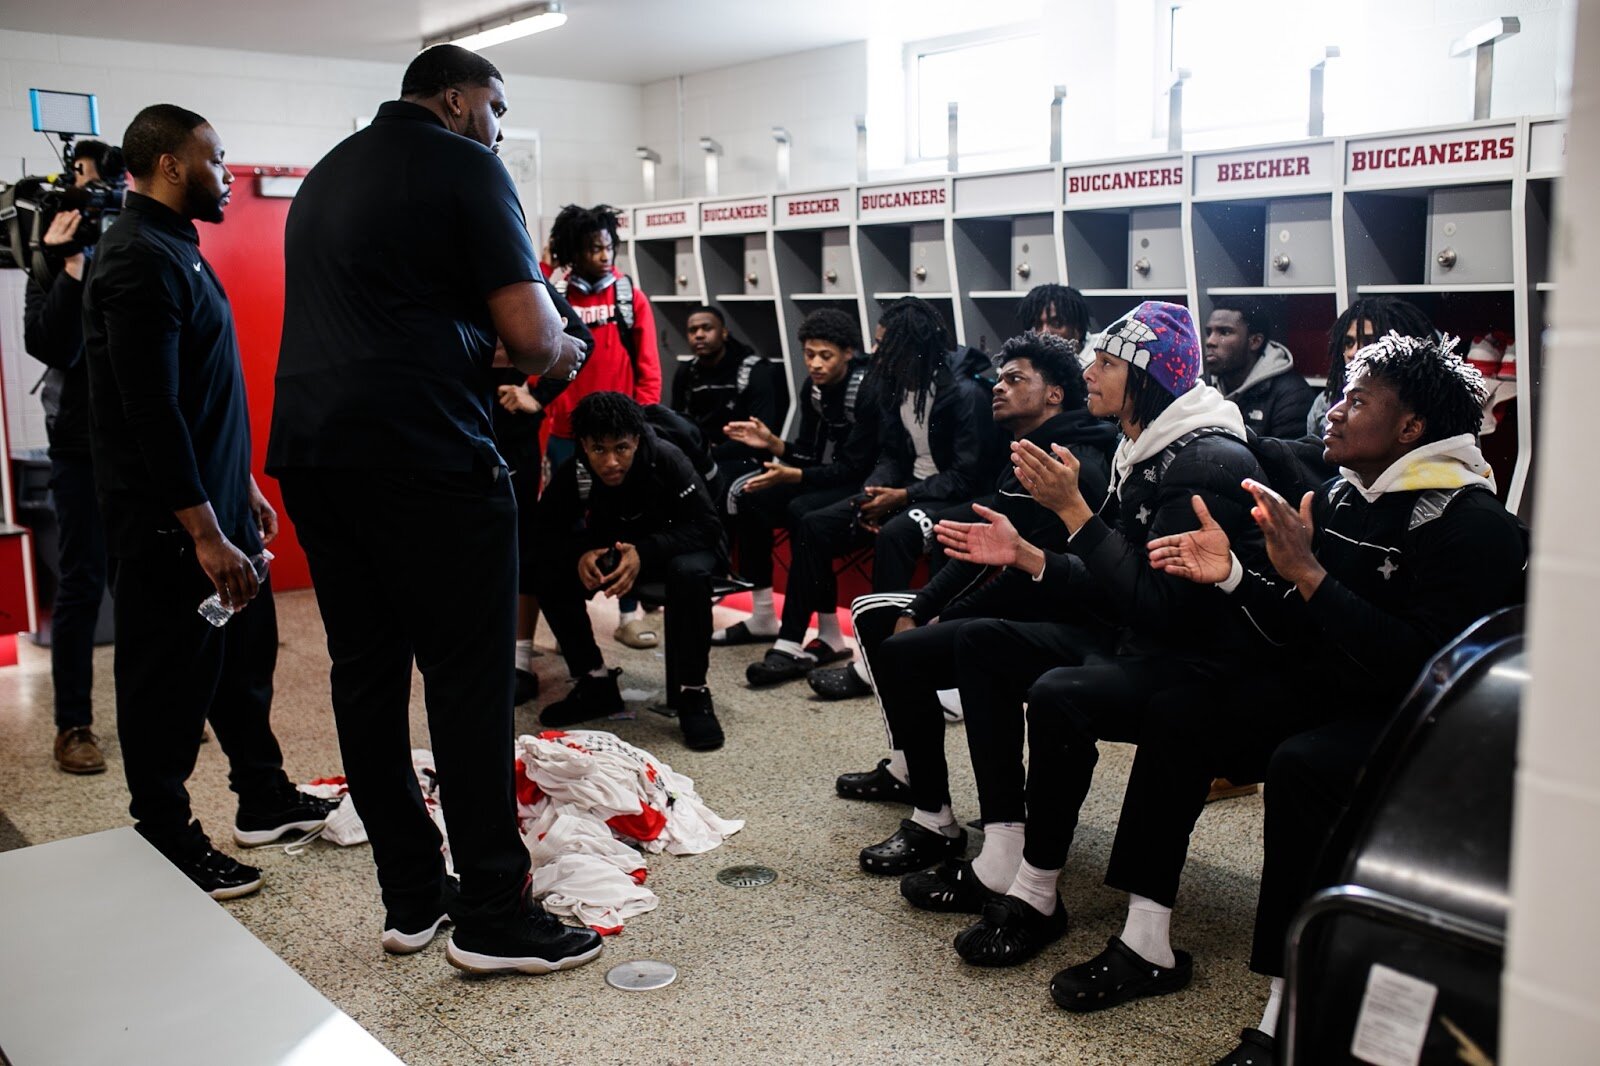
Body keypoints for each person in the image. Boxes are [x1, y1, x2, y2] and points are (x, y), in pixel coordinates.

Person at [1065, 333, 1526, 1066]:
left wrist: (1310, 574)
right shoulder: (1348, 493)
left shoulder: (1472, 525)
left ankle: (1289, 1011)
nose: (1335, 412)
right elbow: (1300, 621)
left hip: (1413, 724)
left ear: (1410, 430)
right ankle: (1145, 942)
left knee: (1301, 766)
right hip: (1331, 690)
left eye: (1357, 401)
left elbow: (1418, 666)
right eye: (1340, 396)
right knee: (1181, 709)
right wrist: (1233, 580)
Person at [268, 45, 602, 976]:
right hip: (424, 453)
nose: (499, 125)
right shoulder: (467, 164)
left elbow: (392, 315)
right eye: (495, 106)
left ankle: (413, 898)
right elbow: (535, 341)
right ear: (456, 99)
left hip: (315, 451)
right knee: (466, 683)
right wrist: (560, 349)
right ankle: (496, 914)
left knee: (366, 676)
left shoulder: (326, 175)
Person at [883, 302, 1265, 966]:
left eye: (1108, 363)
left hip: (1192, 661)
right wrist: (1028, 557)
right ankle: (1002, 848)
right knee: (983, 643)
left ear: (1147, 379)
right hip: (1138, 638)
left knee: (1061, 692)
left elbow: (1159, 609)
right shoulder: (1146, 448)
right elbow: (1110, 581)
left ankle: (1038, 889)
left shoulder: (1203, 462)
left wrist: (1073, 513)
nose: (1090, 370)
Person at [82, 104, 335, 898]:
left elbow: (203, 393)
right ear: (168, 166)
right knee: (167, 687)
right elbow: (148, 409)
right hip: (169, 531)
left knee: (242, 664)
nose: (227, 175)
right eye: (217, 160)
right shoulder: (134, 260)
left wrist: (242, 490)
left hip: (219, 508)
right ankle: (165, 836)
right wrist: (201, 528)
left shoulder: (175, 248)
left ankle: (261, 797)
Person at [821, 333, 1115, 829]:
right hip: (1030, 603)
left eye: (1014, 378)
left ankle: (933, 817)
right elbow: (979, 550)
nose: (998, 387)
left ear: (1054, 394)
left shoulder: (1068, 462)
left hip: (1063, 619)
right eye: (999, 377)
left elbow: (1035, 579)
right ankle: (910, 769)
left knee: (904, 650)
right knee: (881, 615)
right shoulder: (1027, 452)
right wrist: (921, 608)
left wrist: (946, 615)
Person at [744, 298, 997, 687]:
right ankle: (792, 640)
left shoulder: (965, 393)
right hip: (907, 489)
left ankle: (877, 660)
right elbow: (892, 453)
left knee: (896, 534)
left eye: (883, 344)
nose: (875, 353)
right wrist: (872, 493)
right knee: (814, 524)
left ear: (910, 346)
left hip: (949, 498)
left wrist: (900, 497)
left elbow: (965, 476)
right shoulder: (897, 387)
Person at [532, 392, 728, 751]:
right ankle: (594, 682)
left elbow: (707, 526)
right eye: (598, 450)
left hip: (683, 543)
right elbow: (544, 531)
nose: (610, 462)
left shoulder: (667, 458)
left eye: (621, 448)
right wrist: (581, 553)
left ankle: (693, 692)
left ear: (636, 440)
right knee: (546, 567)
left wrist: (646, 551)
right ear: (583, 445)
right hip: (622, 546)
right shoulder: (576, 469)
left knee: (689, 575)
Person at [23, 138, 123, 774]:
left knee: (146, 582)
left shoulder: (135, 247)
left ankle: (161, 701)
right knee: (82, 584)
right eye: (82, 178)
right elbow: (52, 345)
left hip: (137, 444)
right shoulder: (49, 258)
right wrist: (70, 265)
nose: (88, 192)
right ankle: (74, 725)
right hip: (79, 449)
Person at [539, 202, 663, 649]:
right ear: (575, 251)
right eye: (593, 248)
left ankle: (628, 614)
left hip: (621, 432)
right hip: (567, 433)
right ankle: (569, 615)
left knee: (624, 521)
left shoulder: (628, 296)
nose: (603, 255)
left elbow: (648, 363)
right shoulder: (554, 294)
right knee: (568, 525)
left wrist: (645, 418)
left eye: (608, 246)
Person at [712, 308, 875, 646]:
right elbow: (808, 453)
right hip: (832, 475)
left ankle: (830, 632)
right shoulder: (813, 388)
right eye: (809, 354)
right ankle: (762, 615)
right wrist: (775, 445)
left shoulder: (865, 389)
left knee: (805, 512)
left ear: (848, 353)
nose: (815, 363)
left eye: (825, 356)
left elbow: (855, 469)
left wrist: (795, 475)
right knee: (751, 496)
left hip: (866, 483)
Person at [669, 304, 788, 486]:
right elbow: (675, 420)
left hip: (746, 457)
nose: (699, 335)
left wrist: (711, 453)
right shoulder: (686, 371)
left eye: (707, 328)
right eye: (693, 330)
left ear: (724, 333)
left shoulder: (754, 371)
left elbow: (763, 431)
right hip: (702, 454)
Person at [1306, 296, 1437, 436]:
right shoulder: (1326, 402)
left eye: (1368, 343)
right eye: (1349, 342)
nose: (1353, 352)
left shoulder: (1427, 402)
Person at [1203, 297, 1314, 439]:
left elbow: (1287, 460)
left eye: (1224, 332)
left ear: (1255, 341)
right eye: (1208, 333)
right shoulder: (1201, 387)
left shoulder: (1291, 395)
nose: (1210, 341)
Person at [1017, 283, 1091, 349]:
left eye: (1056, 324)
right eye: (1036, 325)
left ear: (1078, 329)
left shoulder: (1099, 358)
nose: (1044, 333)